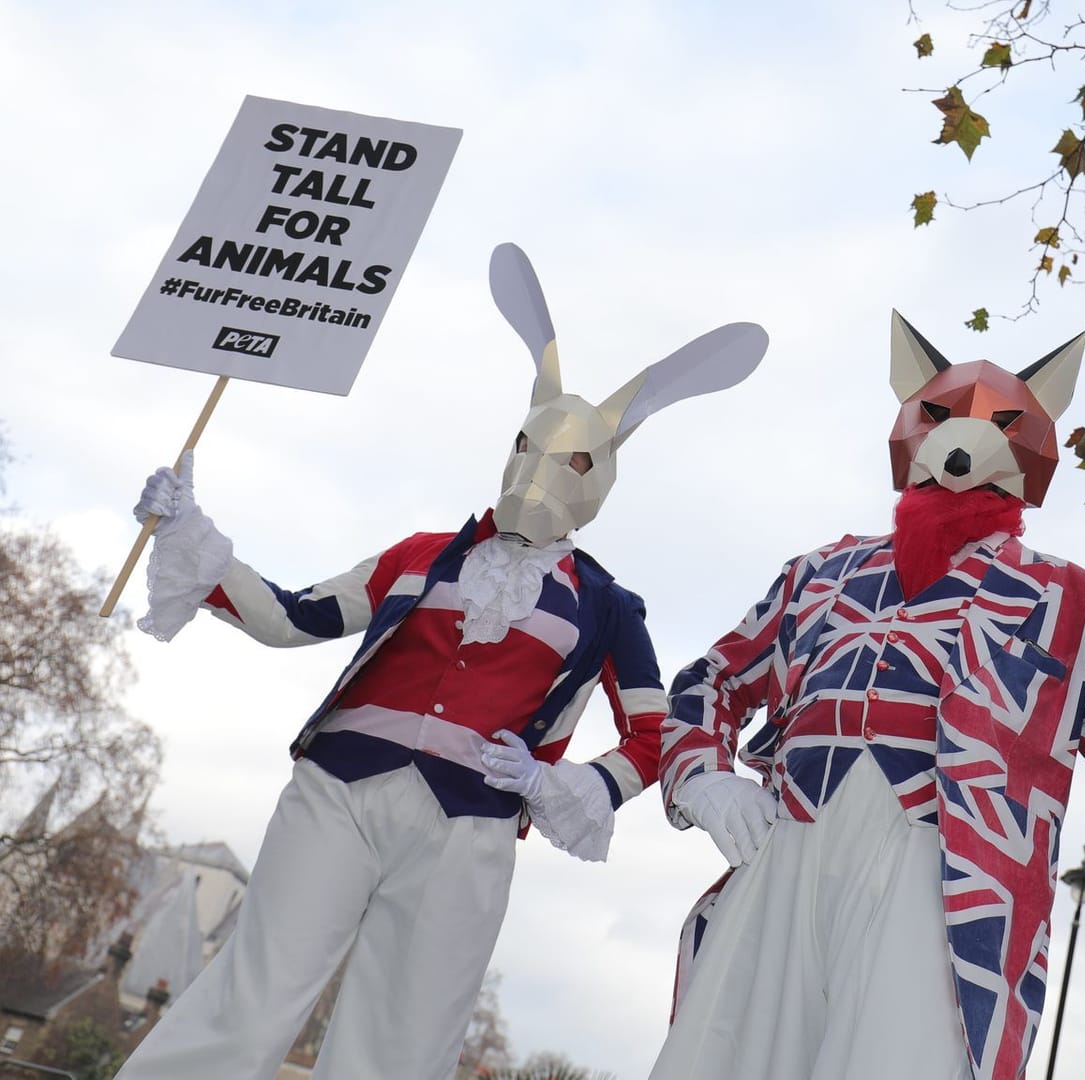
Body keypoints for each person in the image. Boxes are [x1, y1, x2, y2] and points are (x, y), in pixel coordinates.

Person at [115, 244, 767, 1080]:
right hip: (338, 794)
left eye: (570, 461)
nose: (541, 472)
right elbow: (295, 616)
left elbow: (651, 735)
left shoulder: (607, 607)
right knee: (252, 993)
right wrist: (189, 534)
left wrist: (561, 783)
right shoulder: (421, 557)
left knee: (403, 1043)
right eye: (531, 446)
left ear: (603, 475)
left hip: (471, 826)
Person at [648, 312, 1085, 1080]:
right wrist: (704, 779)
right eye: (943, 413)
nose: (964, 437)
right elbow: (710, 681)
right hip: (786, 849)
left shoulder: (1075, 603)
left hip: (947, 880)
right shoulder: (819, 575)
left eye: (1000, 422)